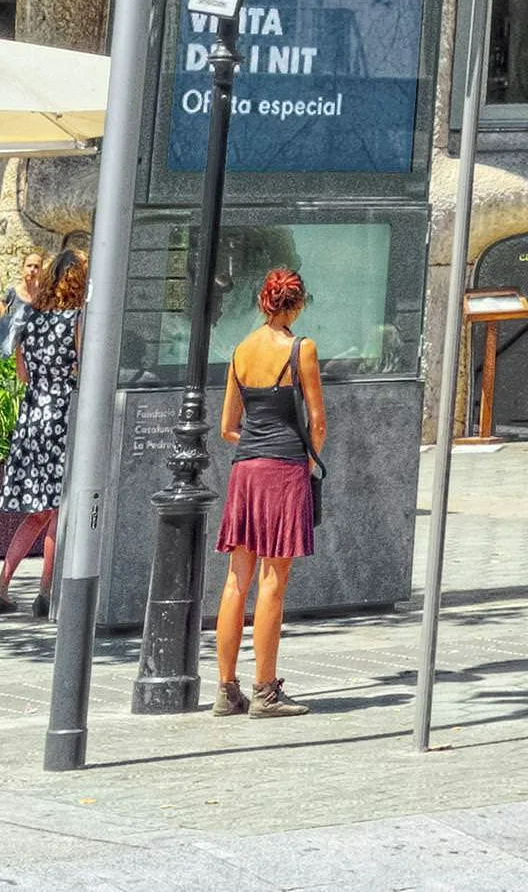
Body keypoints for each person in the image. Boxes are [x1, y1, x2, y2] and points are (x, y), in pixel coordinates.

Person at [208, 264, 323, 718]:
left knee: (237, 579)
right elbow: (317, 420)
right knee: (274, 581)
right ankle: (265, 691)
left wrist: (256, 445)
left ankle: (225, 688)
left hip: (245, 472)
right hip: (283, 469)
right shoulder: (302, 349)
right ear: (295, 304)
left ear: (262, 302)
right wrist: (308, 456)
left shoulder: (240, 351)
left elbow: (226, 427)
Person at [0, 243, 83, 617]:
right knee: (59, 509)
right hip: (61, 412)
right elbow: (82, 367)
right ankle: (45, 591)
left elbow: (21, 373)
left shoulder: (30, 318)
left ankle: (1, 587)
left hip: (32, 415)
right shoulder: (75, 319)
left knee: (38, 511)